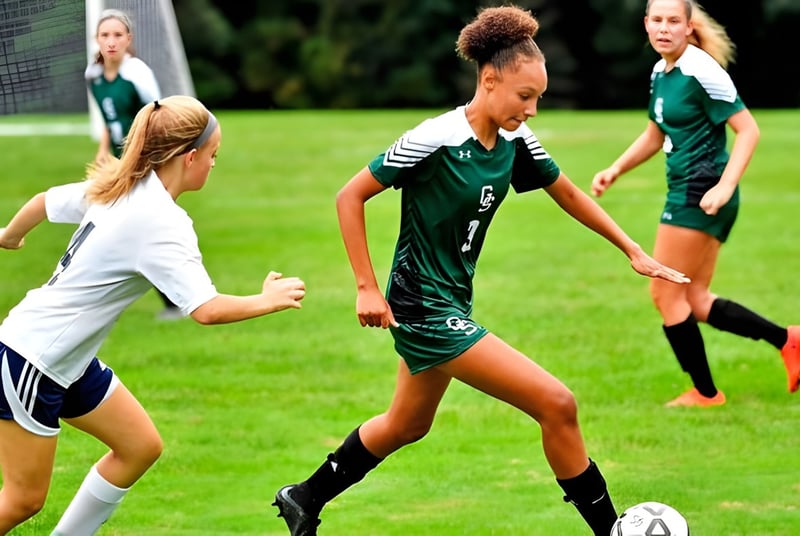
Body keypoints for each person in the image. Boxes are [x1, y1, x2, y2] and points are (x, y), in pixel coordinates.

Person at [272, 6, 689, 536]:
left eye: (538, 97)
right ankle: (610, 530)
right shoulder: (436, 137)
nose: (533, 109)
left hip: (451, 302)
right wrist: (366, 287)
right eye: (524, 96)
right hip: (423, 308)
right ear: (489, 80)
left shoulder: (515, 140)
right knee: (556, 403)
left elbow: (567, 192)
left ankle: (304, 497)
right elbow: (349, 195)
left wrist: (633, 250)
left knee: (406, 424)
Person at [0, 95, 306, 535]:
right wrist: (268, 299)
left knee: (139, 446)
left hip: (64, 359)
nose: (214, 165)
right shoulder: (161, 221)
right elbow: (206, 309)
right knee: (23, 499)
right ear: (191, 156)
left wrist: (11, 236)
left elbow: (43, 202)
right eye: (214, 155)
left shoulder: (122, 184)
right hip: (32, 361)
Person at [591, 0, 800, 407]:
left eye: (673, 21)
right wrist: (616, 169)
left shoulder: (701, 70)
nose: (664, 28)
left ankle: (706, 394)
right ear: (646, 25)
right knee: (695, 298)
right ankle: (788, 340)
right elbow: (656, 132)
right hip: (688, 191)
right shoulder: (660, 71)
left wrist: (724, 186)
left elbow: (748, 130)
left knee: (664, 293)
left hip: (699, 192)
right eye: (657, 20)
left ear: (689, 27)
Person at [85, 8, 181, 319]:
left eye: (117, 35)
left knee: (146, 227)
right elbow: (109, 117)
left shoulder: (137, 73)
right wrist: (103, 150)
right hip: (118, 163)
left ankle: (177, 299)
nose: (111, 42)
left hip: (144, 162)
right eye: (104, 35)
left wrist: (145, 160)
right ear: (96, 39)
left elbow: (157, 117)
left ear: (129, 39)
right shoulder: (93, 75)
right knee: (110, 224)